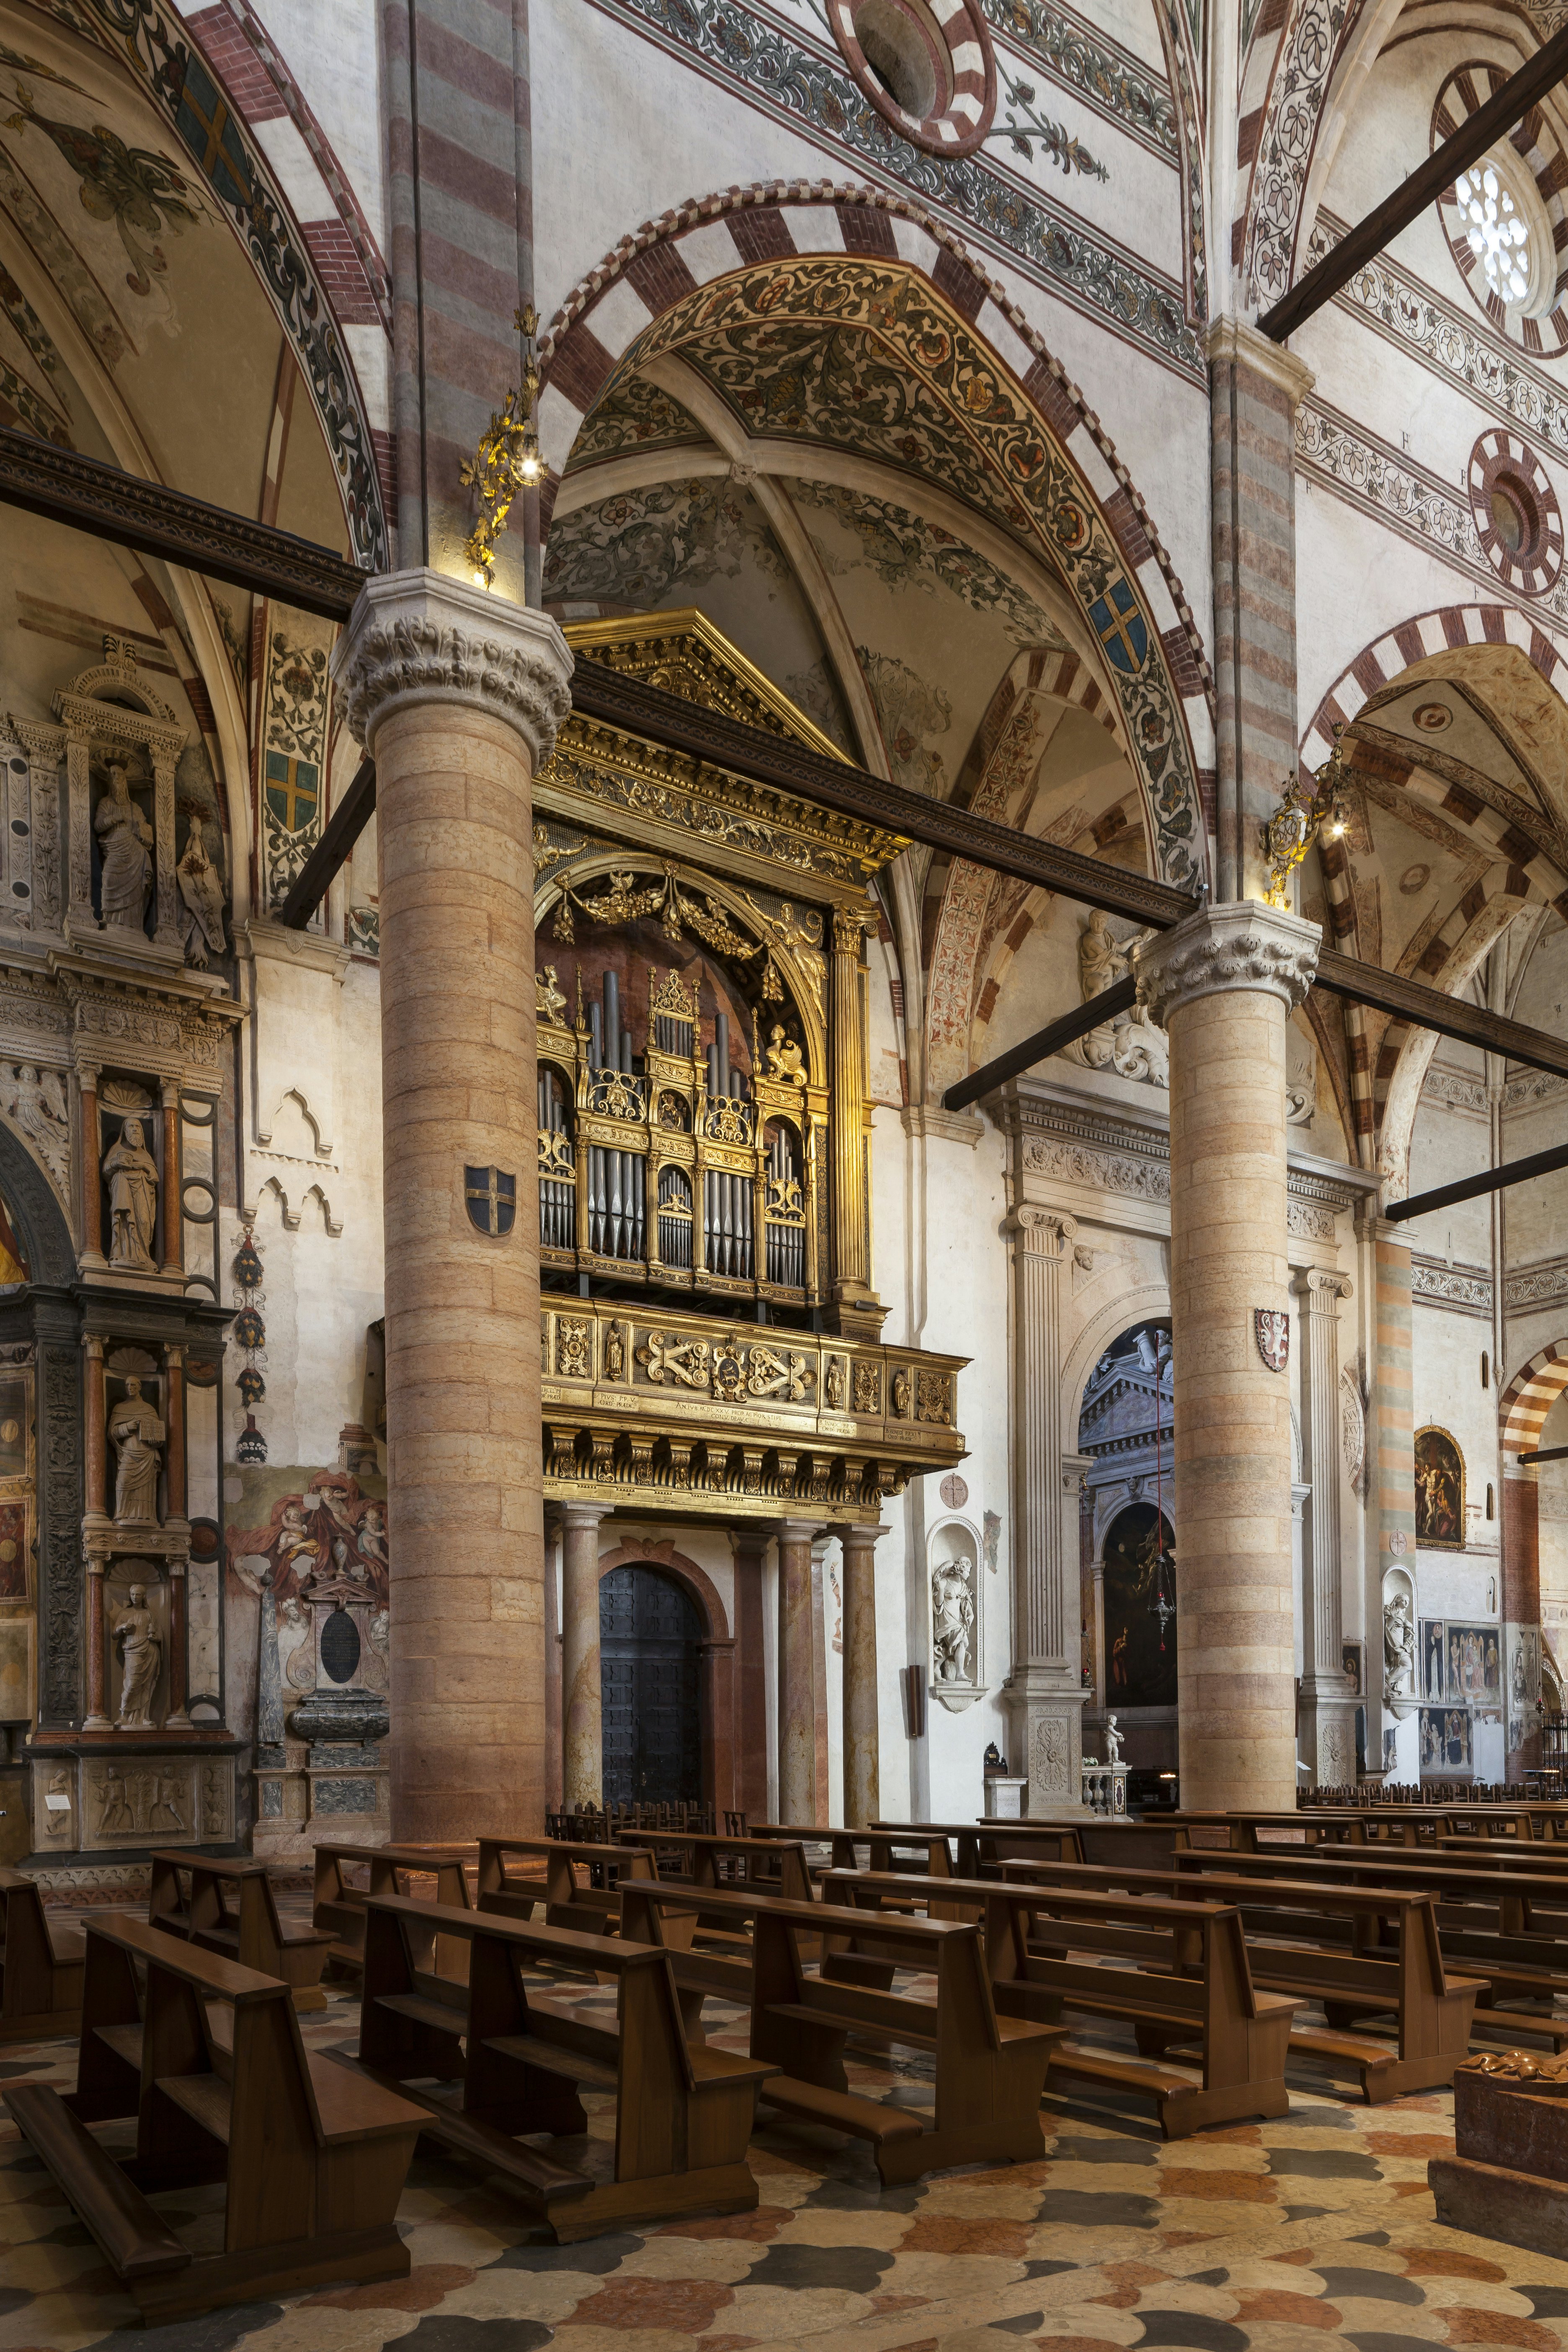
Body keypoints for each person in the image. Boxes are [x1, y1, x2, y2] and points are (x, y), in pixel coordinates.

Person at [94, 764, 153, 931]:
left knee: (138, 885)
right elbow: (98, 826)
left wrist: (144, 834)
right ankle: (110, 920)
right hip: (115, 850)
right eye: (113, 775)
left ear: (125, 781)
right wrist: (113, 818)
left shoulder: (136, 808)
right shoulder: (105, 803)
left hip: (135, 852)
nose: (117, 778)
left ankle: (134, 926)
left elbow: (146, 830)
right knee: (109, 877)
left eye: (119, 775)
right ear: (109, 782)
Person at [103, 1117, 159, 1269]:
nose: (135, 1129)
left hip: (142, 1191)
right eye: (131, 1127)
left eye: (138, 1127)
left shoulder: (146, 1155)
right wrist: (116, 1164)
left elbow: (155, 1177)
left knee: (143, 1220)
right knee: (123, 1218)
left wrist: (143, 1166)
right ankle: (122, 1254)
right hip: (123, 1188)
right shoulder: (117, 1150)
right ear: (125, 1131)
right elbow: (106, 1171)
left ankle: (143, 1256)